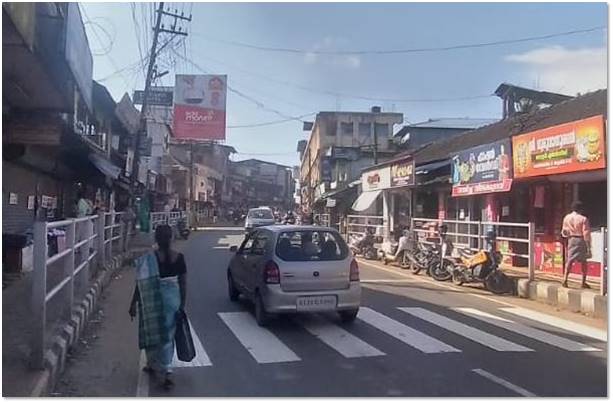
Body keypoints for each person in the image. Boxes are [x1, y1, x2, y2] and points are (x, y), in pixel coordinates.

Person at [129, 225, 187, 389]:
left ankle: (154, 364)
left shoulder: (149, 259)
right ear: (171, 238)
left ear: (156, 239)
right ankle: (167, 369)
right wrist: (182, 305)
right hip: (172, 300)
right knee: (168, 335)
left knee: (152, 330)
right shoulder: (179, 257)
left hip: (153, 299)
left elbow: (141, 284)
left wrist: (133, 303)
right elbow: (183, 284)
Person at [561, 201, 592, 289]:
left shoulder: (567, 217)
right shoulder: (583, 219)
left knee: (569, 260)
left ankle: (565, 279)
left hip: (571, 239)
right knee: (583, 261)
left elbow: (564, 231)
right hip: (581, 239)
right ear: (581, 209)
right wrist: (588, 246)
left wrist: (568, 237)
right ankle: (583, 282)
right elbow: (586, 233)